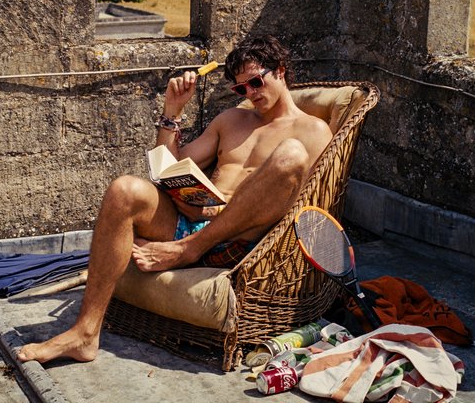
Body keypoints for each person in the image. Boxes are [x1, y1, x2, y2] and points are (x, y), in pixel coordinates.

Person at [17, 35, 333, 365]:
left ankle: (187, 250)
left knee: (291, 154)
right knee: (124, 189)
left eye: (255, 82)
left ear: (280, 71)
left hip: (239, 242)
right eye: (241, 89)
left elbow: (305, 202)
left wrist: (223, 213)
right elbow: (168, 170)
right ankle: (85, 333)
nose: (251, 95)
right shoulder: (231, 121)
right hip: (189, 222)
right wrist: (172, 112)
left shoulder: (314, 131)